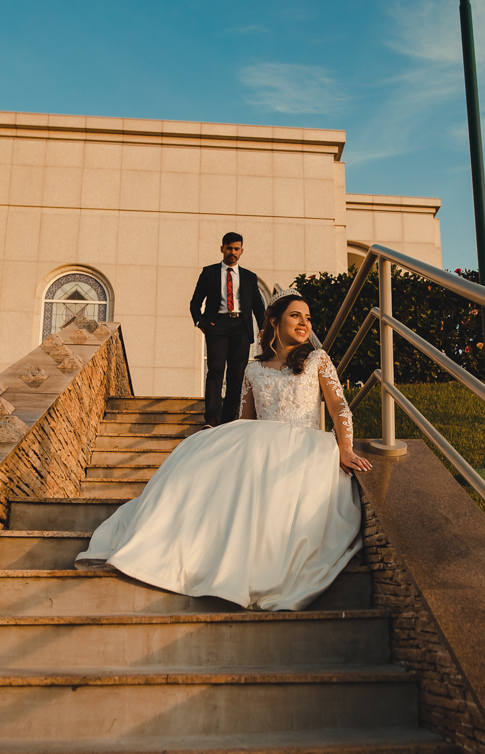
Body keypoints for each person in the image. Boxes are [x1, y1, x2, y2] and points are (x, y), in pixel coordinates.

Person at [75, 291, 372, 611]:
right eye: (296, 315)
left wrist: (344, 448)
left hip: (305, 444)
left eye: (308, 318)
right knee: (199, 461)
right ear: (275, 321)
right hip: (261, 443)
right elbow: (245, 422)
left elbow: (339, 405)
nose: (305, 323)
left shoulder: (317, 359)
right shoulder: (252, 370)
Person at [189, 232, 266, 427]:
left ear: (241, 251)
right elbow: (195, 302)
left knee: (236, 375)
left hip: (241, 327)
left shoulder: (249, 277)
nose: (232, 252)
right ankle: (213, 419)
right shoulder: (209, 273)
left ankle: (229, 420)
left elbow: (258, 305)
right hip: (217, 325)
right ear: (222, 248)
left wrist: (263, 328)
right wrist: (202, 323)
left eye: (236, 249)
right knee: (215, 371)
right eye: (229, 248)